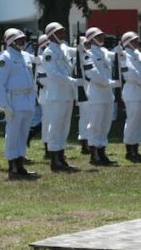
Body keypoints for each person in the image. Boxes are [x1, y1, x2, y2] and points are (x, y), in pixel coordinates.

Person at [0, 28, 39, 180]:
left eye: (23, 39)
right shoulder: (5, 58)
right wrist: (5, 106)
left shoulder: (24, 56)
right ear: (11, 42)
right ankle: (12, 166)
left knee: (23, 134)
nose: (23, 42)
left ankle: (20, 163)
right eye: (19, 40)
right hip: (14, 101)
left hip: (27, 100)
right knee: (13, 135)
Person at [42, 22, 80, 173]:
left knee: (64, 127)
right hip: (57, 94)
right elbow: (54, 74)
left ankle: (61, 157)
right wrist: (72, 81)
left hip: (67, 94)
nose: (63, 34)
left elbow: (77, 53)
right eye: (60, 32)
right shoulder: (49, 52)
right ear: (51, 35)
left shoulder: (62, 48)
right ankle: (54, 160)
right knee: (56, 127)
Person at [84, 27, 120, 166]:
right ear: (91, 39)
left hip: (107, 94)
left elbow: (115, 56)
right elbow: (92, 73)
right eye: (98, 36)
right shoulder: (88, 54)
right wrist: (108, 82)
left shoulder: (104, 51)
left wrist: (119, 52)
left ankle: (102, 151)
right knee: (95, 124)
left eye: (101, 36)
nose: (101, 38)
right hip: (97, 93)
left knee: (105, 124)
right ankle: (94, 154)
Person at [120, 31, 141, 162]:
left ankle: (136, 149)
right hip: (132, 92)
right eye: (134, 41)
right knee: (132, 122)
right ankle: (129, 150)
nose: (138, 43)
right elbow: (132, 74)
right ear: (127, 42)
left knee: (139, 122)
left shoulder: (137, 55)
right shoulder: (124, 56)